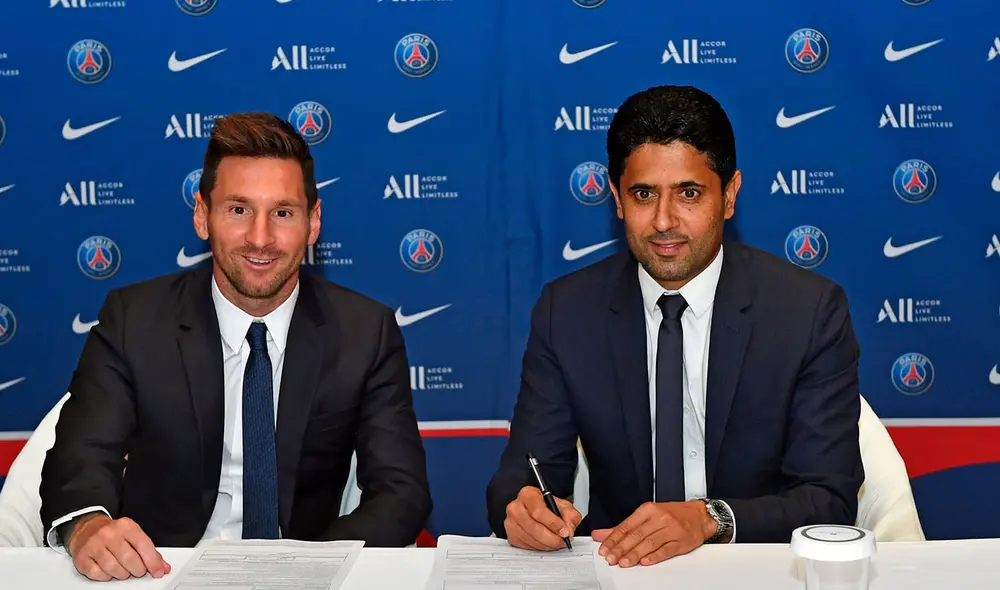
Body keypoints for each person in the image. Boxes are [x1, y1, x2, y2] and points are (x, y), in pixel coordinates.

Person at [40, 112, 432, 581]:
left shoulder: (366, 331)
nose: (260, 238)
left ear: (313, 222)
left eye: (283, 212)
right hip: (160, 572)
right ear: (202, 216)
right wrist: (87, 526)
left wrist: (304, 569)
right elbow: (82, 454)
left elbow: (401, 491)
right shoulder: (134, 320)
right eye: (238, 209)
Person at [486, 85, 863, 567]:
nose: (664, 221)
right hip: (621, 569)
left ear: (729, 196)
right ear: (616, 198)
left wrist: (710, 518)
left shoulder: (807, 311)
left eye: (689, 193)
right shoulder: (568, 311)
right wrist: (520, 510)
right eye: (643, 194)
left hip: (756, 568)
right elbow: (525, 473)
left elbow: (829, 499)